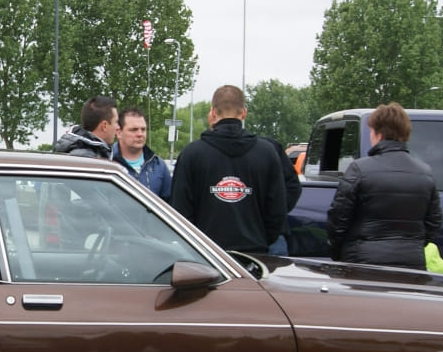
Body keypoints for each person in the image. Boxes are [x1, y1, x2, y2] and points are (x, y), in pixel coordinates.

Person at [170, 85, 288, 252]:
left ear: (212, 112)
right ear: (244, 112)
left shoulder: (192, 154)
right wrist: (260, 238)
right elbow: (277, 211)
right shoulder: (266, 153)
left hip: (207, 258)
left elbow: (180, 210)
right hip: (254, 256)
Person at [325, 102, 442, 270]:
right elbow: (434, 222)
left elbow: (338, 218)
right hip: (411, 261)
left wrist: (340, 251)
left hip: (363, 261)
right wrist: (414, 245)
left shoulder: (359, 169)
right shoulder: (425, 173)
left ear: (378, 134)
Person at [111, 107, 171, 200]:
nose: (140, 134)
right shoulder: (107, 162)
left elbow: (169, 205)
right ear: (119, 133)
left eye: (143, 129)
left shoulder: (159, 166)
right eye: (133, 130)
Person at [262, 136, 303, 255]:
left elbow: (293, 187)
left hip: (272, 237)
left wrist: (275, 212)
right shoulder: (209, 149)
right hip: (270, 235)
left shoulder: (270, 146)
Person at [52, 96, 118, 159]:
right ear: (104, 126)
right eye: (116, 122)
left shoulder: (89, 153)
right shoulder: (88, 159)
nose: (118, 127)